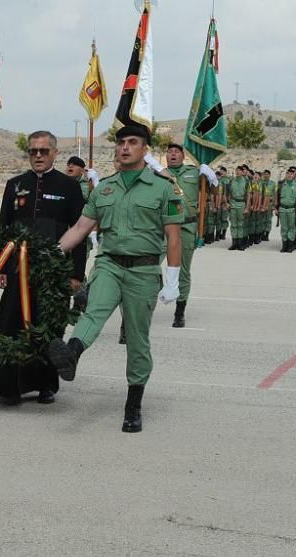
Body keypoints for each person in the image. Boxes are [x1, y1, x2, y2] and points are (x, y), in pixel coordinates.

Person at [46, 125, 183, 433]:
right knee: (94, 309)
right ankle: (71, 354)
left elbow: (174, 237)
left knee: (137, 339)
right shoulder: (105, 188)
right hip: (108, 263)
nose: (124, 147)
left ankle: (133, 405)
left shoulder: (164, 188)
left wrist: (173, 278)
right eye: (121, 142)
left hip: (144, 270)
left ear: (145, 149)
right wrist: (55, 251)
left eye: (132, 142)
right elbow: (81, 227)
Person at [0, 132, 87, 406]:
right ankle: (7, 386)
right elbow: (4, 228)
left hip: (54, 270)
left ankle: (45, 384)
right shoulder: (15, 185)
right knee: (10, 324)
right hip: (18, 269)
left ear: (54, 153)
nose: (38, 155)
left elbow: (80, 232)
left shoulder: (69, 187)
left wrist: (76, 275)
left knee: (48, 326)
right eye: (33, 151)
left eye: (44, 151)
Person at [156, 143, 218, 328]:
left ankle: (179, 312)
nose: (172, 154)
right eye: (169, 152)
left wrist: (212, 178)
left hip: (186, 227)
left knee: (183, 271)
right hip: (163, 226)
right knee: (150, 263)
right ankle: (157, 289)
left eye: (176, 152)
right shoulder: (158, 174)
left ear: (183, 156)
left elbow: (214, 192)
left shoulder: (194, 173)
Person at [277, 167, 296, 252]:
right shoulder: (281, 184)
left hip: (292, 209)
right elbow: (277, 196)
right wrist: (276, 208)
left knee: (291, 228)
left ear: (294, 175)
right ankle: (284, 246)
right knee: (284, 228)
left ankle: (290, 246)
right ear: (286, 175)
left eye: (291, 174)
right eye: (288, 174)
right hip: (282, 209)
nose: (289, 175)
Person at [227, 165, 250, 250]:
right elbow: (228, 193)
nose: (237, 172)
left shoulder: (246, 182)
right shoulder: (232, 181)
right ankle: (234, 243)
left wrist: (247, 208)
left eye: (239, 170)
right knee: (233, 224)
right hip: (233, 204)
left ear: (242, 172)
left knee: (240, 224)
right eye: (236, 170)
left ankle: (240, 244)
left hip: (241, 204)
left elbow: (248, 196)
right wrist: (227, 203)